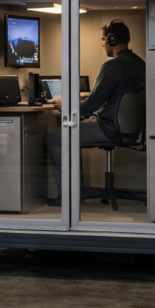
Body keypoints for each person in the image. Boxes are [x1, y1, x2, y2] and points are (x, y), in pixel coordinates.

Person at [44, 20, 145, 200]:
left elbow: (92, 104)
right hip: (131, 131)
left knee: (54, 138)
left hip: (108, 128)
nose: (102, 44)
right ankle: (77, 191)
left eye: (104, 39)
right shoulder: (140, 64)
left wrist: (65, 106)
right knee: (73, 129)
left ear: (112, 40)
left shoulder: (113, 66)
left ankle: (69, 196)